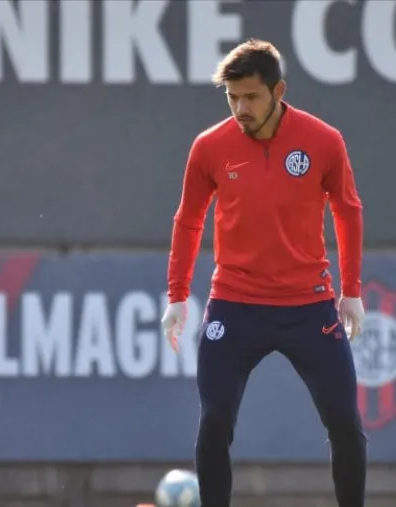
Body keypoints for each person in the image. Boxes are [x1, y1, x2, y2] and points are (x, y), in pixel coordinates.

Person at [160, 39, 368, 507]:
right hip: (234, 306)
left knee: (344, 421)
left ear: (278, 91)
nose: (240, 108)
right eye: (232, 97)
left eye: (250, 97)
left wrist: (350, 291)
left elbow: (348, 211)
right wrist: (177, 295)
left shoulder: (324, 141)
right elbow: (188, 219)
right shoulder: (209, 146)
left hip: (309, 305)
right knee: (215, 420)